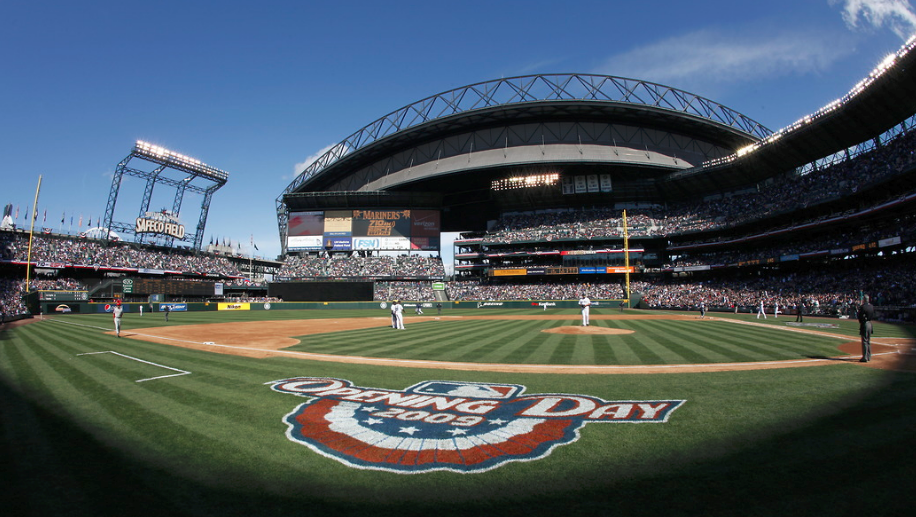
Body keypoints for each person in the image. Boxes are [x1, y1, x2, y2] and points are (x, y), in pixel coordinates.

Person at [857, 294, 876, 362]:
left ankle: (865, 357)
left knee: (864, 341)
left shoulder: (863, 307)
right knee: (868, 341)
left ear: (864, 299)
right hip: (870, 324)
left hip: (864, 324)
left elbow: (859, 316)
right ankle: (869, 356)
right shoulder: (871, 306)